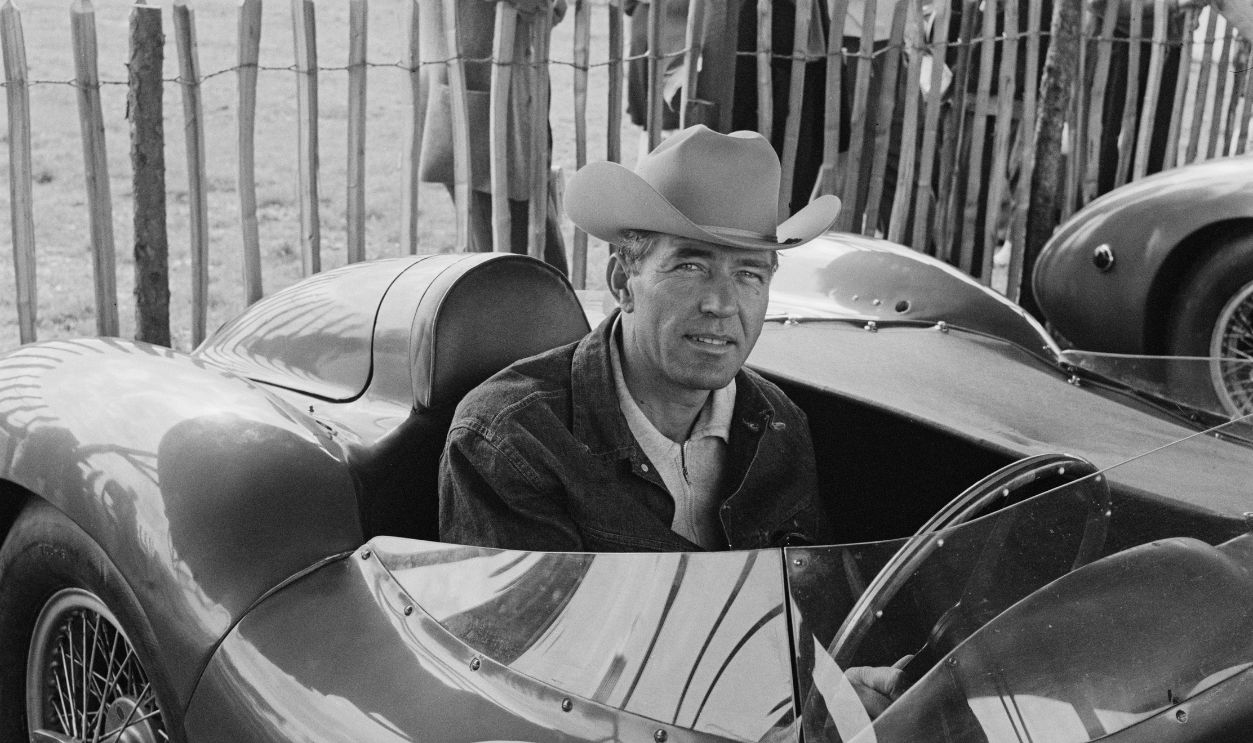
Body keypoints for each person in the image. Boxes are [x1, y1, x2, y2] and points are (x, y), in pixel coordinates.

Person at [439, 125, 839, 553]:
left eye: (748, 275)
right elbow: (540, 620)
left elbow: (807, 599)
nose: (722, 304)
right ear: (622, 283)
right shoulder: (514, 439)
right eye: (690, 267)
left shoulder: (777, 421)